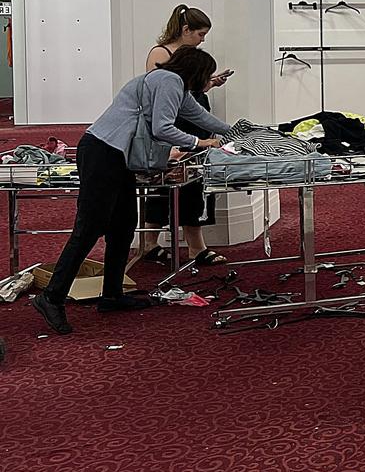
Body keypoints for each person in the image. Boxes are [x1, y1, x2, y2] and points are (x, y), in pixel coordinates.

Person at [31, 47, 231, 335]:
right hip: (103, 151)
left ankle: (112, 294)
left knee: (124, 225)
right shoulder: (168, 81)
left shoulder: (175, 85)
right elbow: (163, 128)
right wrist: (201, 144)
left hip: (117, 156)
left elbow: (202, 118)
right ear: (196, 71)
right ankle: (51, 297)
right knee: (89, 227)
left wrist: (238, 131)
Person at [139, 4, 233, 266]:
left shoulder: (189, 60)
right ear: (185, 29)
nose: (203, 39)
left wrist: (210, 83)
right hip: (172, 126)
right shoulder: (161, 58)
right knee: (163, 183)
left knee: (195, 185)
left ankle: (195, 247)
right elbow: (161, 97)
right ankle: (150, 243)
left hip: (190, 121)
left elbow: (191, 98)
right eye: (200, 33)